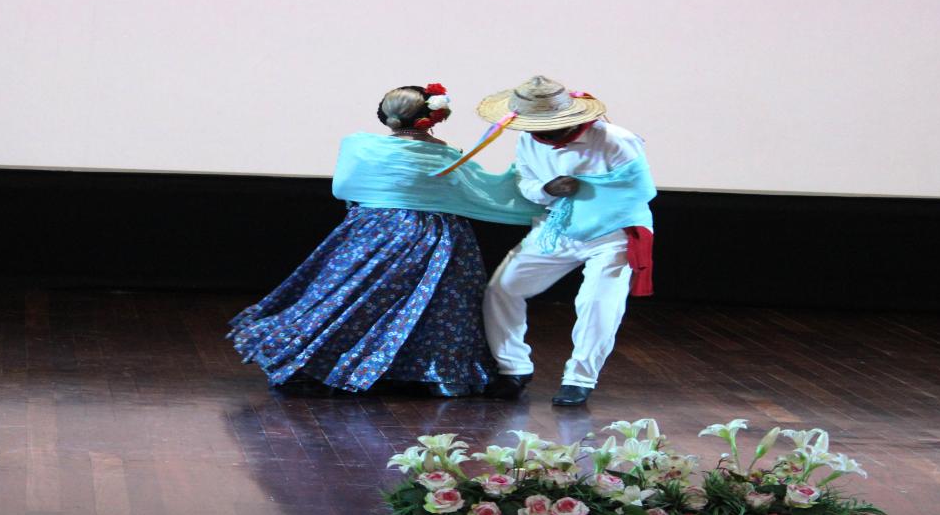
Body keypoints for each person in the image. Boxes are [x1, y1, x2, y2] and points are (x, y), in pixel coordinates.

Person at [227, 84, 543, 397]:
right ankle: (440, 373)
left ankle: (321, 364)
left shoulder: (361, 148)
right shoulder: (444, 155)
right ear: (434, 118)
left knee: (352, 298)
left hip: (372, 231)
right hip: (434, 236)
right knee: (441, 304)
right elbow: (482, 191)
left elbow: (345, 188)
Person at [479, 76, 656, 406]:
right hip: (558, 228)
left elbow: (640, 192)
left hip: (613, 233)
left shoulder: (617, 140)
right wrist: (548, 189)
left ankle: (580, 379)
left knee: (597, 303)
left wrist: (585, 188)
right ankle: (513, 368)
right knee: (503, 288)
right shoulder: (529, 140)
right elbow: (526, 181)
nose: (542, 133)